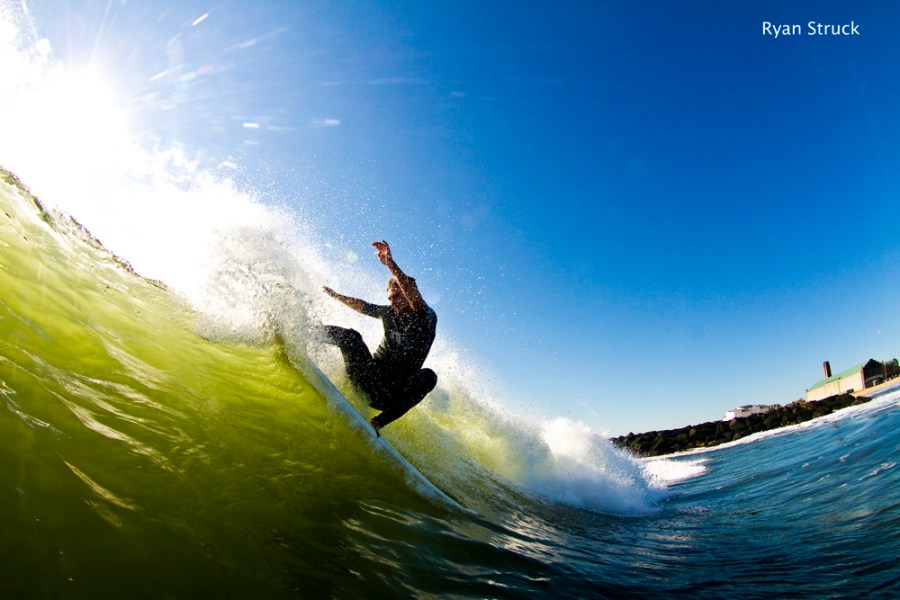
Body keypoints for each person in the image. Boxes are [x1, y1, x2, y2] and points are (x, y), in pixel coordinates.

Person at [322, 240, 437, 435]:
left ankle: (377, 423)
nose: (395, 302)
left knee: (429, 377)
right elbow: (362, 305)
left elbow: (410, 287)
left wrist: (390, 264)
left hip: (389, 395)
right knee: (351, 337)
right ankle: (303, 330)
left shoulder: (425, 317)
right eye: (391, 298)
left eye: (399, 297)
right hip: (367, 378)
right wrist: (336, 296)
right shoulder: (389, 313)